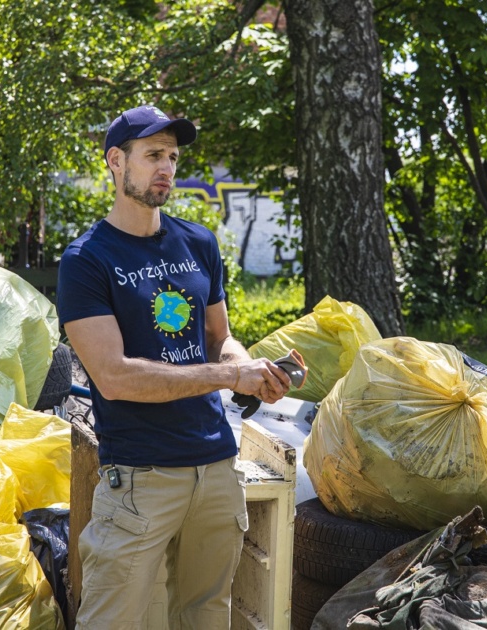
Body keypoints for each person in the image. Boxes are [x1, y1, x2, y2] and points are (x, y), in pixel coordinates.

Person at [56, 104, 292, 629]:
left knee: (206, 617)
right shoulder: (86, 261)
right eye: (153, 155)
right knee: (111, 621)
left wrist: (250, 368)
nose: (167, 168)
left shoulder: (199, 243)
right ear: (116, 162)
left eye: (173, 156)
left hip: (214, 468)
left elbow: (219, 339)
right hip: (140, 478)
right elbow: (114, 377)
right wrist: (228, 375)